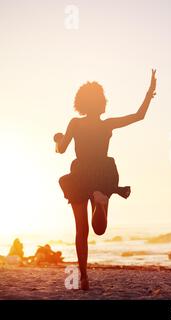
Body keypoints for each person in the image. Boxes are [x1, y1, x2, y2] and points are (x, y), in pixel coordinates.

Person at [54, 69, 157, 290]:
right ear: (101, 102)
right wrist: (149, 92)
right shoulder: (106, 124)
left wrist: (58, 139)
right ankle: (99, 204)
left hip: (80, 174)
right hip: (102, 172)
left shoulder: (75, 123)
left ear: (80, 103)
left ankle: (83, 277)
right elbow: (139, 116)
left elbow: (61, 150)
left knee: (81, 231)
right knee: (100, 229)